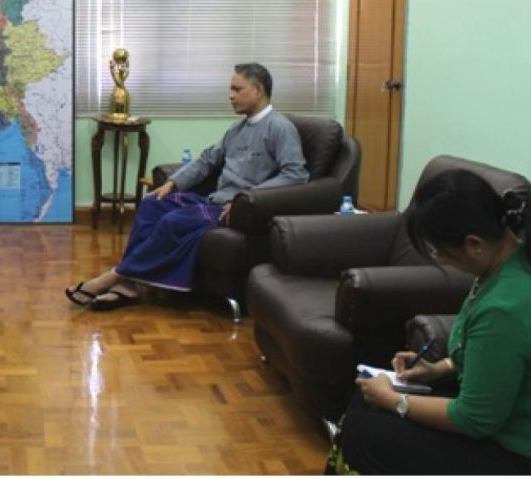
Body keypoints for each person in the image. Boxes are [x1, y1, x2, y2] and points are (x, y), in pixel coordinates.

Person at [327, 169, 531, 474]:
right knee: (363, 402)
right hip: (496, 419)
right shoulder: (503, 268)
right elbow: (498, 358)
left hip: (512, 451)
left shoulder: (503, 307)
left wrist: (394, 400)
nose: (442, 261)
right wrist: (439, 369)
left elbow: (475, 419)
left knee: (365, 432)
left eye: (439, 252)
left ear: (474, 243)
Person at [65, 63, 308, 309]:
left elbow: (296, 174)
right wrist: (173, 182)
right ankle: (130, 284)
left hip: (237, 209)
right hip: (214, 201)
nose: (230, 95)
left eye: (237, 89)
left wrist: (248, 197)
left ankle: (115, 276)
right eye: (230, 89)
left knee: (173, 221)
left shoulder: (279, 128)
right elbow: (206, 161)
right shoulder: (237, 129)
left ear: (258, 91)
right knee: (152, 204)